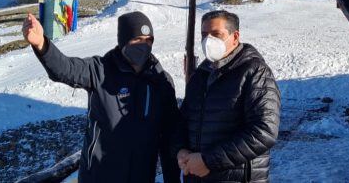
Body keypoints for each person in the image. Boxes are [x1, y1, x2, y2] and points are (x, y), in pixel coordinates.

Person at [23, 11, 181, 183]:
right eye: (137, 39)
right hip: (99, 176)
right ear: (123, 41)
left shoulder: (161, 81)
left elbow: (169, 136)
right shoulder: (101, 70)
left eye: (148, 40)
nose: (143, 45)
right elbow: (65, 69)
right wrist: (42, 44)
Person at [174, 10, 281, 183]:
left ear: (235, 36)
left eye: (216, 34)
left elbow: (264, 131)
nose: (208, 40)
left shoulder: (255, 72)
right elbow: (183, 120)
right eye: (204, 35)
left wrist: (208, 161)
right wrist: (181, 150)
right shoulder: (200, 75)